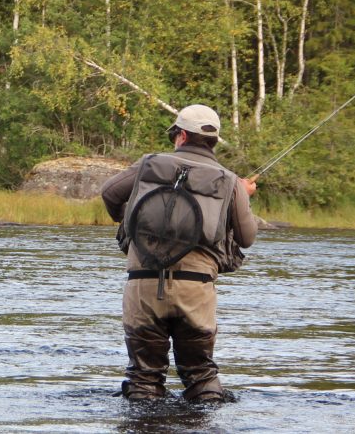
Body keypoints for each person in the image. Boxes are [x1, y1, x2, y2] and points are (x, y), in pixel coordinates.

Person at [100, 104, 258, 401]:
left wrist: (130, 218)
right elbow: (247, 238)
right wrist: (242, 196)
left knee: (143, 380)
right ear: (213, 141)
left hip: (143, 285)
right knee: (202, 377)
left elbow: (109, 193)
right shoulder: (230, 181)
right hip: (195, 290)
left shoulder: (148, 164)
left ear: (181, 135)